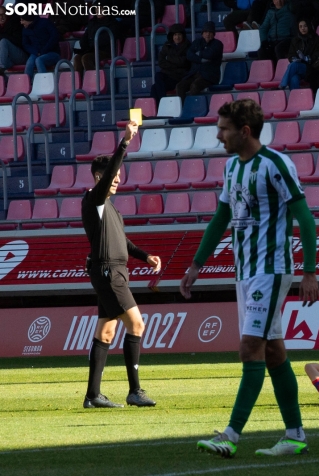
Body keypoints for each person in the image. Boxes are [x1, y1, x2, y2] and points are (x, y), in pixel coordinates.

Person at [181, 99, 319, 458]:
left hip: (271, 270)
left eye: (224, 128)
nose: (218, 134)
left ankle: (230, 435)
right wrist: (196, 265)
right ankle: (295, 435)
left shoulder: (275, 164)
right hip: (245, 272)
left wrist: (309, 271)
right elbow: (220, 217)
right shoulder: (231, 168)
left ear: (244, 131)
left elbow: (305, 217)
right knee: (273, 352)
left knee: (249, 348)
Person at [81, 121, 160, 409]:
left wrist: (144, 256)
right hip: (109, 272)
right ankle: (135, 391)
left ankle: (92, 396)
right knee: (136, 324)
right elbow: (113, 166)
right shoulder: (95, 199)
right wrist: (125, 141)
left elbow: (123, 243)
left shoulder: (110, 208)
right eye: (113, 176)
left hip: (111, 271)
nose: (118, 180)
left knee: (106, 331)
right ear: (100, 177)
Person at [177, 22, 223, 101]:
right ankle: (183, 108)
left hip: (209, 76)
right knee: (180, 86)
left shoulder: (218, 44)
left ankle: (193, 108)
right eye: (205, 32)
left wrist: (199, 53)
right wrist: (201, 60)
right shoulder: (196, 42)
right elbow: (189, 55)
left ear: (213, 34)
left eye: (210, 32)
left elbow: (210, 54)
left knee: (195, 86)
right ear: (202, 33)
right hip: (194, 73)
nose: (207, 34)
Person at [280, 19, 319, 90]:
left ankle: (282, 85)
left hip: (312, 68)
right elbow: (290, 55)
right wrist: (294, 59)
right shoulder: (295, 40)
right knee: (294, 78)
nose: (303, 28)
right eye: (300, 27)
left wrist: (306, 58)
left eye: (305, 26)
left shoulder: (317, 39)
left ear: (309, 27)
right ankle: (295, 98)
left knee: (293, 65)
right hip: (299, 67)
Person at [151, 24, 191, 102]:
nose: (177, 37)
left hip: (179, 77)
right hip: (168, 75)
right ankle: (156, 109)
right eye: (175, 35)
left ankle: (162, 105)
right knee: (157, 79)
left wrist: (168, 58)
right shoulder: (167, 45)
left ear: (183, 35)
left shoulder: (188, 46)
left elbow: (183, 62)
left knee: (155, 87)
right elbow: (161, 61)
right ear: (172, 36)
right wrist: (175, 63)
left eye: (179, 34)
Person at [20, 14, 60, 80]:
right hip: (37, 53)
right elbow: (25, 44)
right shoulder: (25, 29)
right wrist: (36, 52)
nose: (21, 22)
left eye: (23, 20)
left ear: (29, 20)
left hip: (53, 52)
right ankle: (26, 85)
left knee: (39, 60)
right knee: (30, 63)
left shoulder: (45, 22)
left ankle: (44, 84)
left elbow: (54, 37)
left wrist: (44, 51)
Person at [0, 6, 26, 76]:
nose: (1, 17)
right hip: (7, 60)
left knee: (3, 42)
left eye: (3, 14)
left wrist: (2, 35)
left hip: (20, 55)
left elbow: (19, 41)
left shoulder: (14, 23)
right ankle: (4, 80)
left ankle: (1, 68)